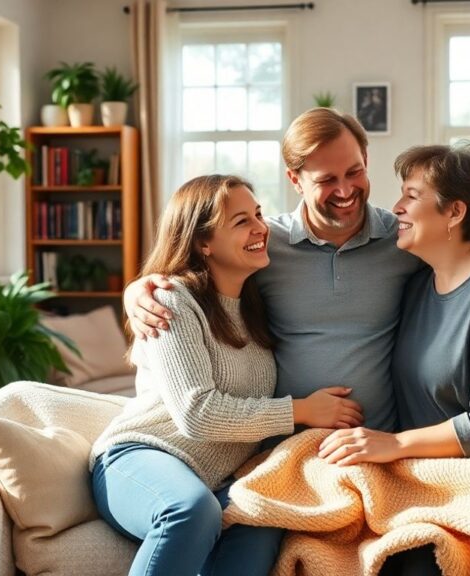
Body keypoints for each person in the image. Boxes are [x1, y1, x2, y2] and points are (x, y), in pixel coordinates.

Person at [124, 108, 470, 440]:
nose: (346, 191)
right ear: (294, 180)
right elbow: (193, 265)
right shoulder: (262, 245)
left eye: (354, 172)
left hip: (379, 443)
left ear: (366, 159)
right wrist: (138, 290)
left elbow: (464, 253)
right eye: (327, 180)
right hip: (287, 445)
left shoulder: (402, 241)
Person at [90, 174, 364, 576]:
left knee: (262, 525)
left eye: (258, 214)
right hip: (141, 456)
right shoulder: (171, 299)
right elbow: (196, 413)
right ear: (203, 243)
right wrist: (302, 410)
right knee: (189, 510)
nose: (260, 228)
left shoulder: (256, 303)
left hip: (221, 479)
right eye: (241, 222)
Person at [316, 142, 470, 575]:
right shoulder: (417, 283)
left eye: (412, 195)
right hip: (420, 480)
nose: (397, 207)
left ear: (455, 213)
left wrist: (391, 444)